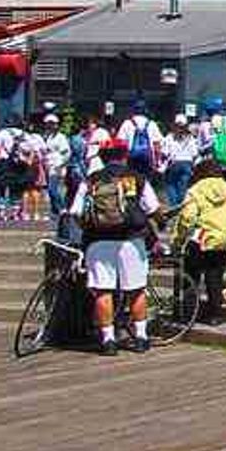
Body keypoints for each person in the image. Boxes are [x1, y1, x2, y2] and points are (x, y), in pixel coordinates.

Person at [70, 138, 163, 355]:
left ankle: (108, 340)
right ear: (125, 156)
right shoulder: (136, 178)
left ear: (102, 158)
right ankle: (140, 338)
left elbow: (75, 211)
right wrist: (158, 226)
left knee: (103, 291)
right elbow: (152, 208)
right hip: (131, 241)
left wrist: (88, 227)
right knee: (136, 290)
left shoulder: (91, 180)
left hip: (98, 241)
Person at [169, 144, 226, 326]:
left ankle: (189, 313)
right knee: (215, 277)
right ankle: (215, 315)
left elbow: (187, 217)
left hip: (200, 240)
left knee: (191, 277)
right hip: (223, 241)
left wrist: (178, 240)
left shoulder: (195, 190)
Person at [116, 103, 162, 183]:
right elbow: (157, 145)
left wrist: (122, 159)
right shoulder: (152, 124)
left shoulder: (127, 123)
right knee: (145, 181)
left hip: (131, 158)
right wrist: (157, 162)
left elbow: (121, 143)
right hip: (147, 158)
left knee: (130, 181)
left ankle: (132, 190)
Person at [161, 114, 198, 207]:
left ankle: (174, 205)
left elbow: (164, 152)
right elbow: (195, 153)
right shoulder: (190, 138)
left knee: (170, 184)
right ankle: (181, 205)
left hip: (174, 163)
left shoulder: (170, 137)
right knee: (183, 187)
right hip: (187, 163)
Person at [41, 113, 72, 219]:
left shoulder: (61, 137)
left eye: (52, 124)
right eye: (47, 124)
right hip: (49, 166)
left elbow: (66, 153)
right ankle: (55, 211)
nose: (49, 126)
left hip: (57, 166)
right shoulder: (48, 137)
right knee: (51, 190)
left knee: (52, 189)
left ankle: (62, 208)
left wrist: (61, 165)